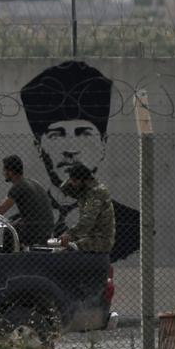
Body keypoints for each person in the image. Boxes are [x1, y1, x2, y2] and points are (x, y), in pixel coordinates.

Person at [20, 60, 139, 261]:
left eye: (83, 133)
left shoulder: (131, 224)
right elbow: (67, 190)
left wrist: (68, 236)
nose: (70, 150)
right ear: (38, 147)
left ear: (103, 144)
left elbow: (86, 224)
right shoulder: (35, 217)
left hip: (93, 245)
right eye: (57, 135)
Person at [0, 155, 54, 248]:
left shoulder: (18, 186)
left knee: (9, 231)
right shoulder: (33, 183)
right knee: (14, 222)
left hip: (35, 229)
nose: (3, 173)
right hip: (47, 228)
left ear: (10, 172)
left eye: (4, 170)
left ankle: (8, 259)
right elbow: (34, 211)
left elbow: (0, 210)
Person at [58, 163, 115, 254]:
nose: (72, 183)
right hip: (88, 237)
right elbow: (64, 189)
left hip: (100, 240)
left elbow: (88, 220)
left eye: (75, 180)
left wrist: (70, 234)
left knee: (64, 252)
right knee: (58, 247)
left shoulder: (97, 193)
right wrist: (71, 179)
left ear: (85, 180)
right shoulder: (84, 190)